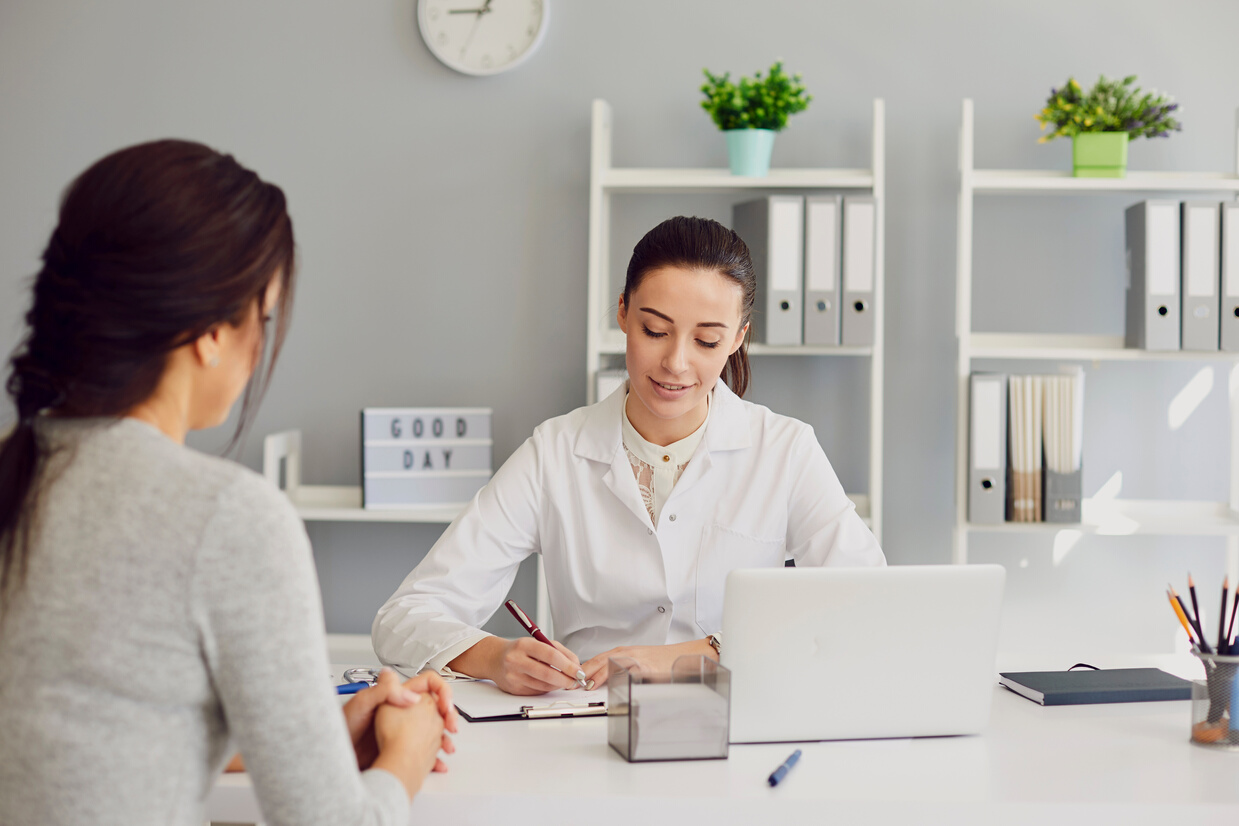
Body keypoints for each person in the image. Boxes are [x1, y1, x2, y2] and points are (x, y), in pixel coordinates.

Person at [0, 140, 457, 826]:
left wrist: (318, 735)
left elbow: (85, 745)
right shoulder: (224, 517)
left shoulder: (18, 473)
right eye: (262, 318)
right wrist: (407, 758)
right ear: (212, 331)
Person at [372, 215, 885, 695]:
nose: (676, 363)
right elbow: (405, 617)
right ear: (622, 312)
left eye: (707, 341)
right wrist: (494, 656)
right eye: (655, 331)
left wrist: (696, 654)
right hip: (588, 727)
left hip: (737, 724)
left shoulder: (785, 450)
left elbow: (868, 601)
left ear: (738, 338)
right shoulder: (554, 454)